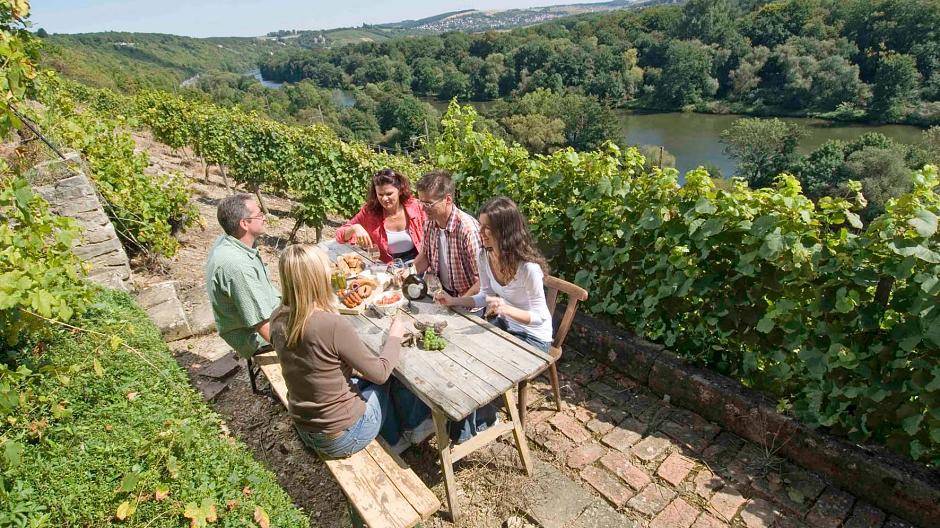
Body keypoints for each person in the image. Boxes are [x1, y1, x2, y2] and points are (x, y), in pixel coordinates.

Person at [268, 244, 409, 458]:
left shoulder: (277, 318)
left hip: (305, 428)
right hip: (342, 436)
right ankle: (400, 439)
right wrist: (396, 335)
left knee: (363, 378)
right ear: (317, 278)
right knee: (389, 378)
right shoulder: (331, 324)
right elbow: (380, 373)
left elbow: (316, 366)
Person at [435, 197, 553, 352]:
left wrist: (506, 309)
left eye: (487, 227)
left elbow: (540, 318)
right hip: (505, 325)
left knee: (488, 361)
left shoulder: (528, 268)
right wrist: (453, 301)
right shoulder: (484, 256)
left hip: (533, 336)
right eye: (481, 225)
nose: (480, 231)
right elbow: (485, 296)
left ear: (505, 230)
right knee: (464, 349)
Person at [205, 194, 281, 393]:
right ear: (244, 224)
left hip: (267, 314)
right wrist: (297, 353)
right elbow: (262, 324)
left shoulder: (230, 242)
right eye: (259, 214)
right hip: (255, 338)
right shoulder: (236, 266)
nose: (264, 217)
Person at [412, 169, 481, 297]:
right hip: (441, 294)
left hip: (469, 302)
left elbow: (484, 280)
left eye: (428, 203)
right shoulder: (430, 224)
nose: (422, 208)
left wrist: (458, 303)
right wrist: (408, 272)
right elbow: (426, 256)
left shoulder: (467, 230)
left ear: (447, 199)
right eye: (421, 202)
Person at [335, 168, 426, 263]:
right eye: (380, 194)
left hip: (417, 263)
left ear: (400, 190)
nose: (385, 198)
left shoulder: (416, 207)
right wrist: (355, 228)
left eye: (389, 194)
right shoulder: (370, 212)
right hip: (388, 267)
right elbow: (339, 236)